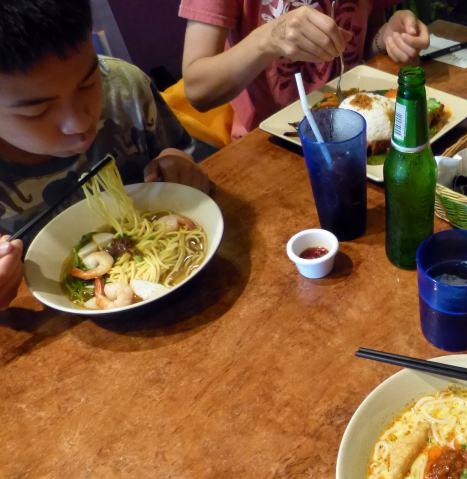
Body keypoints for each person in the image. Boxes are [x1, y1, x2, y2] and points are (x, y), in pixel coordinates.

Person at [0, 0, 209, 310]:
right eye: (37, 111)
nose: (80, 123)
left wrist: (179, 160)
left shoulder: (125, 90)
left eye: (89, 82)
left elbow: (184, 158)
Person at [179, 0, 430, 139]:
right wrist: (269, 38)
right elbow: (199, 89)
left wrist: (385, 38)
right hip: (272, 144)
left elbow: (360, 46)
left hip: (359, 135)